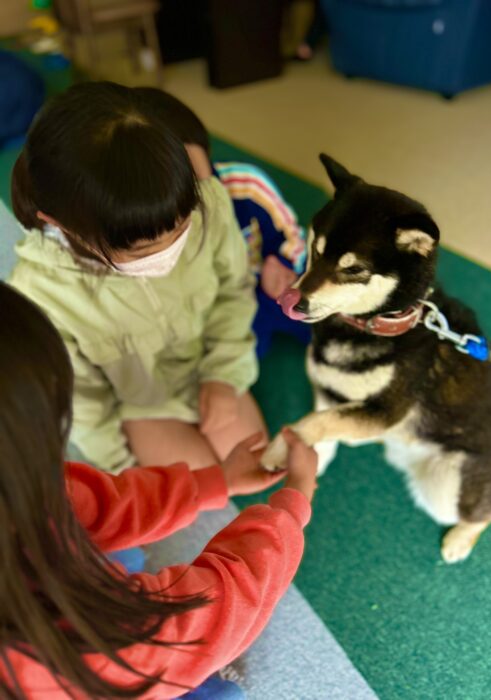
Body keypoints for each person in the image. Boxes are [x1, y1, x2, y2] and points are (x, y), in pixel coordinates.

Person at [0, 281, 318, 699]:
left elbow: (89, 501)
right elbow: (215, 613)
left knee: (120, 553)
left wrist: (213, 482)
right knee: (217, 689)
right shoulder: (78, 645)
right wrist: (293, 506)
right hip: (102, 668)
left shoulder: (18, 492)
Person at [9, 81, 267, 473]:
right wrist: (120, 469)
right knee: (201, 494)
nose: (168, 252)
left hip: (205, 367)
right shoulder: (40, 294)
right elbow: (84, 400)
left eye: (182, 229)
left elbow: (234, 292)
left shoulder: (209, 203)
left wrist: (224, 374)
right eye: (143, 250)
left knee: (256, 465)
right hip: (142, 405)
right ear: (62, 225)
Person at [133, 87, 311, 357]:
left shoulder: (246, 185)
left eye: (198, 176)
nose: (199, 196)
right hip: (226, 305)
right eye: (179, 191)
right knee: (233, 358)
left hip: (270, 285)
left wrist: (284, 262)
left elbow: (293, 235)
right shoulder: (154, 226)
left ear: (206, 150)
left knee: (327, 316)